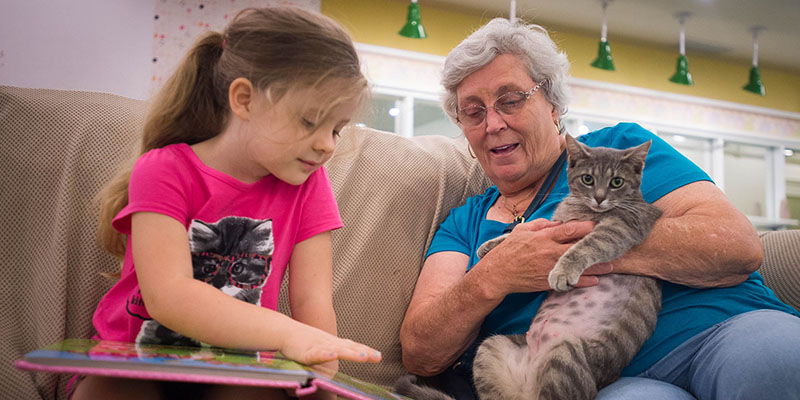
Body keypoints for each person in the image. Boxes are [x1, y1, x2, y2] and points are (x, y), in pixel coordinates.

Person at [399, 17, 800, 400]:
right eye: (473, 112)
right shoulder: (464, 223)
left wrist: (575, 249)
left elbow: (736, 246)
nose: (493, 123)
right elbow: (420, 350)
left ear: (553, 105)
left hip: (720, 325)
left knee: (776, 362)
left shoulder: (619, 149)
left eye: (510, 100)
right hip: (602, 379)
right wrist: (498, 272)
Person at [72, 7, 381, 400]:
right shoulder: (163, 169)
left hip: (240, 368)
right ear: (244, 99)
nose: (327, 144)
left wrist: (322, 368)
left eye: (337, 128)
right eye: (309, 121)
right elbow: (169, 296)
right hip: (137, 359)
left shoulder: (309, 184)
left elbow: (312, 303)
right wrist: (290, 334)